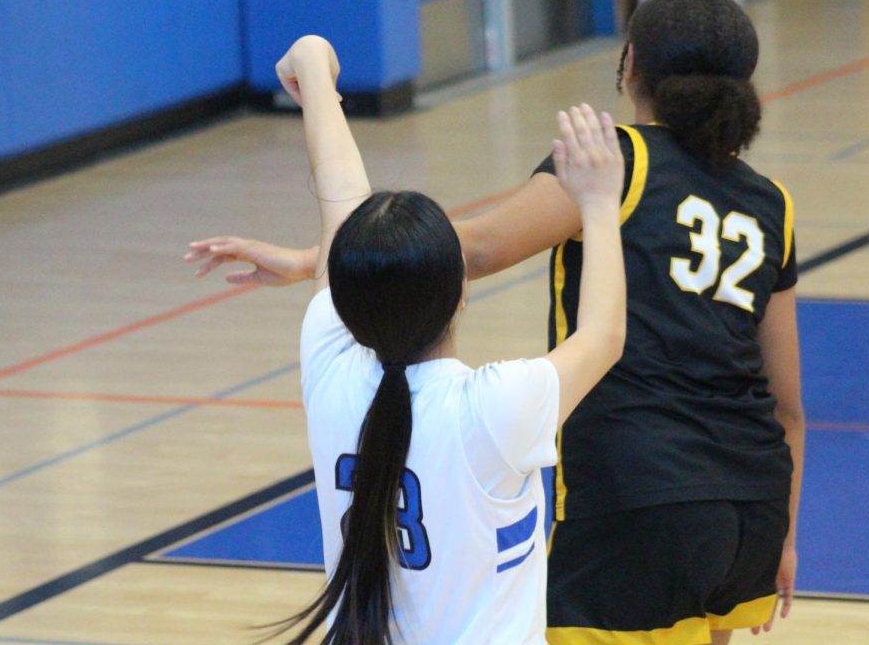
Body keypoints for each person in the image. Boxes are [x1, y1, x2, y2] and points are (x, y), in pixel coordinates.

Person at [186, 0, 804, 645]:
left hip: (634, 500)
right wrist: (785, 536)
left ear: (629, 65)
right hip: (750, 505)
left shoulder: (611, 163)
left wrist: (327, 260)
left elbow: (471, 247)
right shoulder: (771, 204)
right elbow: (787, 404)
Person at [246, 34, 626, 644]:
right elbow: (605, 336)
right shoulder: (494, 407)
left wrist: (316, 78)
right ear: (461, 293)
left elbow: (343, 202)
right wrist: (601, 203)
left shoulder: (332, 366)